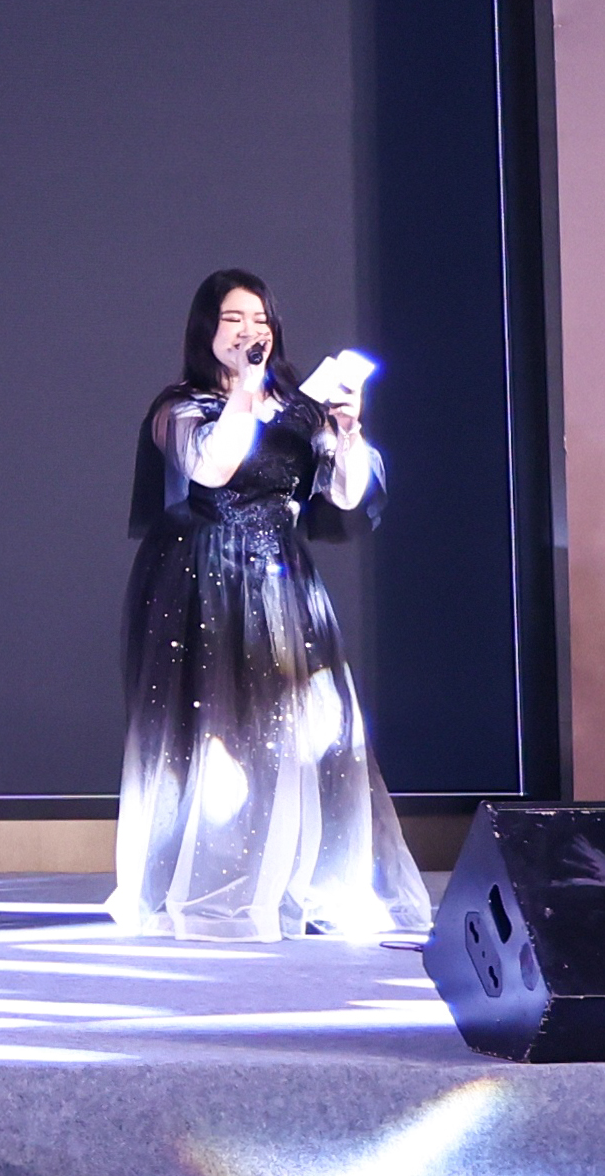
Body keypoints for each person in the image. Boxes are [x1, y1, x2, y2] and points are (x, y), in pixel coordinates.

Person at [109, 271, 429, 941]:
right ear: (207, 330)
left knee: (304, 731)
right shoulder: (182, 407)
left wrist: (347, 430)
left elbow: (345, 496)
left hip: (283, 582)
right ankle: (207, 884)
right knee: (213, 732)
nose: (249, 331)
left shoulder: (300, 409)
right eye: (233, 319)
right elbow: (212, 468)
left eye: (260, 319)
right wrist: (246, 389)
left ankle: (302, 882)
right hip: (203, 580)